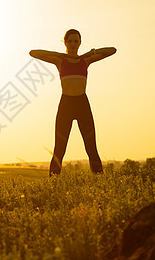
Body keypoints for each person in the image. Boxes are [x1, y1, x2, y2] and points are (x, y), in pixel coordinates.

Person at [29, 29, 116, 176]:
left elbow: (112, 50)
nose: (73, 44)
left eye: (76, 41)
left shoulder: (86, 60)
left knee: (91, 146)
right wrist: (59, 54)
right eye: (70, 41)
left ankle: (99, 178)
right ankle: (54, 181)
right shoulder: (59, 61)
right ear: (65, 42)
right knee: (59, 148)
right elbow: (33, 53)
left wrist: (90, 53)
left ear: (80, 42)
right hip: (66, 105)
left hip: (82, 103)